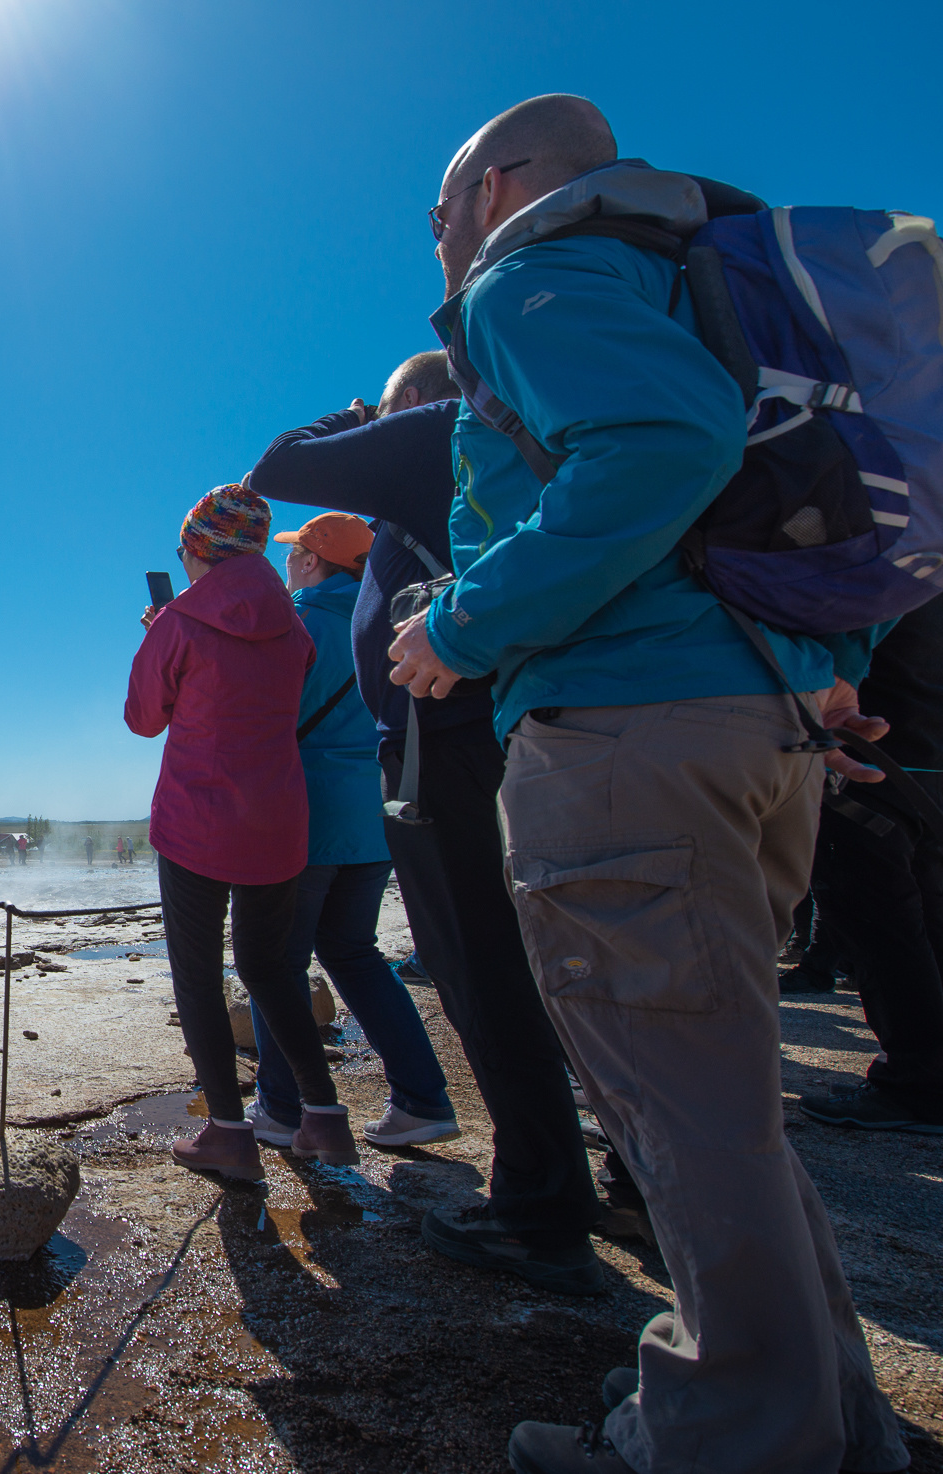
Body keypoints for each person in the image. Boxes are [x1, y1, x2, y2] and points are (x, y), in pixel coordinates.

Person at [394, 94, 905, 1474]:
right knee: (720, 1106)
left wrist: (452, 627)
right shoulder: (693, 281)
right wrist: (824, 666)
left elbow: (661, 449)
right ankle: (826, 1418)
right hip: (754, 727)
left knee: (681, 1112)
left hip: (627, 739)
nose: (439, 243)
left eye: (440, 214)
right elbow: (802, 493)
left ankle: (729, 1436)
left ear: (497, 188)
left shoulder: (536, 271)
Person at [248, 353, 604, 1291]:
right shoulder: (509, 458)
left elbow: (278, 465)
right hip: (488, 738)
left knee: (480, 963)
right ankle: (606, 1178)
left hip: (444, 749)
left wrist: (357, 412)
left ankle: (542, 1199)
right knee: (549, 962)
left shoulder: (438, 436)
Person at [125, 483, 357, 1178]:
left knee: (198, 977)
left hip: (197, 821)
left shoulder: (181, 621)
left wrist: (160, 632)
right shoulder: (294, 625)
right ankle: (325, 1118)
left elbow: (144, 718)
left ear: (199, 549)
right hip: (279, 820)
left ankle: (228, 1134)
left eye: (185, 550)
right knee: (267, 968)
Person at [246, 513, 459, 1149]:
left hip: (303, 819)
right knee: (353, 954)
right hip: (371, 818)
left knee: (275, 964)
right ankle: (423, 1099)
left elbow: (252, 717)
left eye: (294, 555)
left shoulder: (294, 621)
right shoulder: (385, 623)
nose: (288, 564)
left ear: (312, 562)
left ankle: (282, 1109)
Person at [798, 594, 943, 1135]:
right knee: (923, 920)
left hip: (873, 760)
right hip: (924, 760)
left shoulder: (888, 562)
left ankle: (917, 1081)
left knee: (879, 927)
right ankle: (924, 1072)